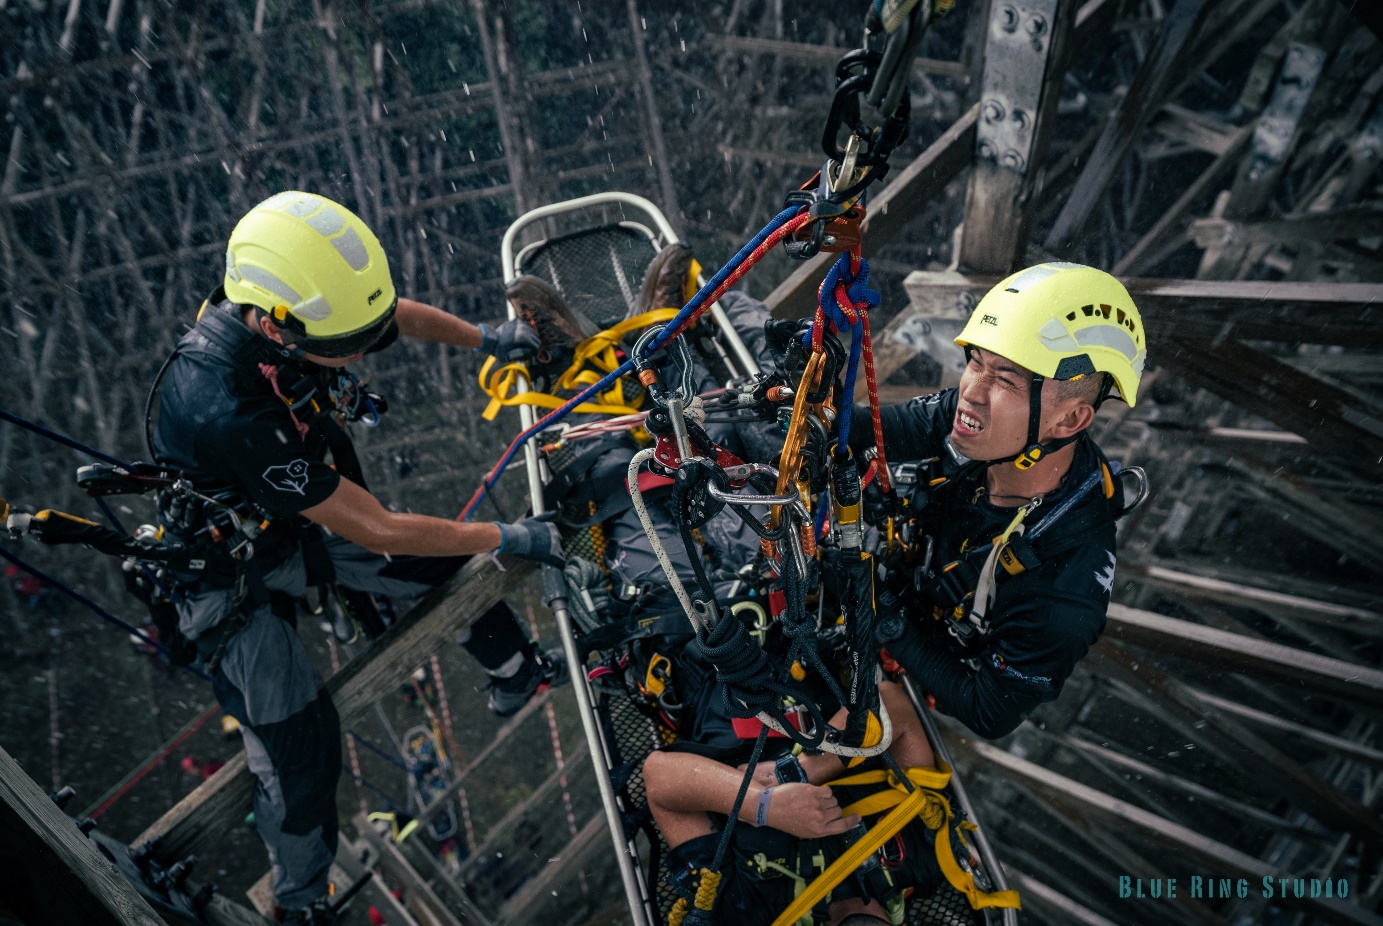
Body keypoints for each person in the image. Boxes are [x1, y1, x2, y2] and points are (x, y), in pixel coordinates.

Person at [149, 190, 567, 924]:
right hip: (224, 575)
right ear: (273, 326)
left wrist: (488, 337)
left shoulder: (285, 314)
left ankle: (513, 673)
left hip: (278, 523)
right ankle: (302, 902)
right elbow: (376, 529)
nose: (356, 354)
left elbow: (387, 317)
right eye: (340, 346)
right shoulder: (226, 411)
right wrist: (510, 537)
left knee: (439, 564)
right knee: (299, 745)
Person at [852, 261, 1147, 740]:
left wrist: (889, 624)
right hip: (901, 577)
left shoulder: (1065, 591)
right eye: (975, 361)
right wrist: (804, 413)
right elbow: (880, 431)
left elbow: (988, 711)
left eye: (1006, 380)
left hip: (916, 654)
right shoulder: (987, 421)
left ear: (1070, 421)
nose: (971, 391)